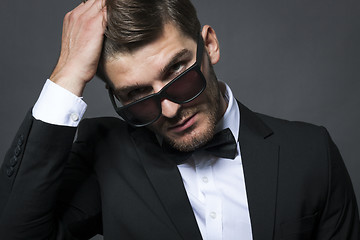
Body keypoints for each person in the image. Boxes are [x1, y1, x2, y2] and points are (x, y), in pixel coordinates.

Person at [0, 0, 359, 239]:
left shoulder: (310, 151)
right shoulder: (104, 157)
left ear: (210, 45)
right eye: (138, 96)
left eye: (178, 73)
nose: (170, 109)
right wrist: (67, 74)